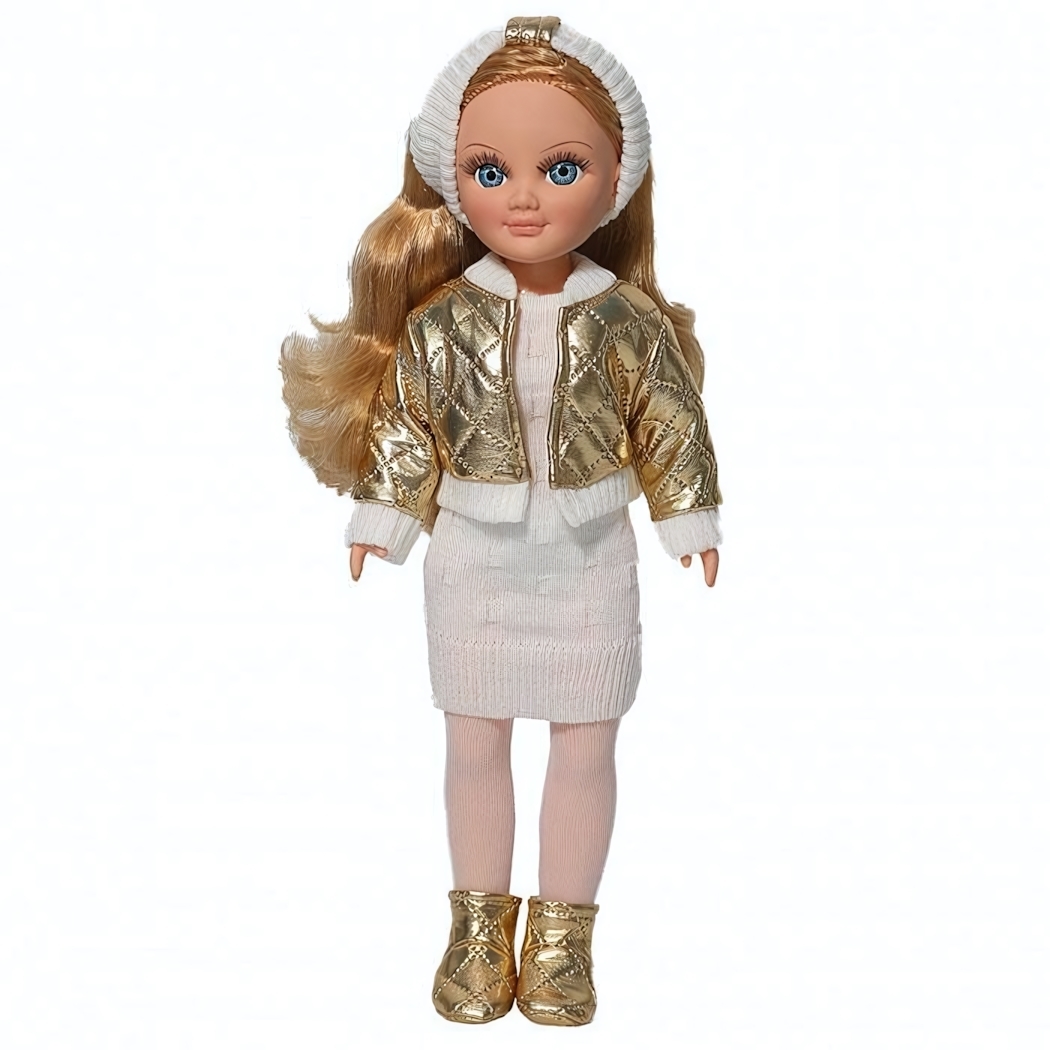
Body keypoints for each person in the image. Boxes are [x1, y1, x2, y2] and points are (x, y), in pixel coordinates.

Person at [280, 16, 722, 1027]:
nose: (524, 197)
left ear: (617, 181)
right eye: (491, 170)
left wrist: (689, 516)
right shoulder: (441, 321)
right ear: (453, 180)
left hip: (588, 554)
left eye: (562, 168)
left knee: (586, 740)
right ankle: (478, 930)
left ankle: (563, 940)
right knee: (473, 741)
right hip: (475, 558)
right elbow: (409, 425)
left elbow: (670, 420)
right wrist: (383, 515)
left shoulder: (626, 321)